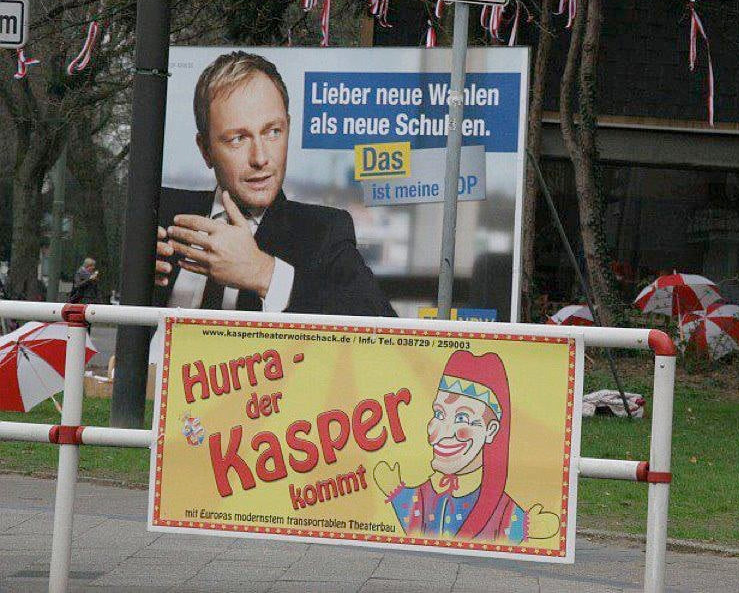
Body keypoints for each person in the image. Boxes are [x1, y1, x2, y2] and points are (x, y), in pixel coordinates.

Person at [154, 51, 394, 317]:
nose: (260, 158)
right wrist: (131, 277)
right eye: (238, 139)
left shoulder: (324, 233)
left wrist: (265, 274)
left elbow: (386, 330)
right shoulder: (160, 213)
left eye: (273, 132)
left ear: (288, 129)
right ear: (205, 150)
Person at [374, 350, 560, 543]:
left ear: (490, 430)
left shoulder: (499, 508)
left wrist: (527, 525)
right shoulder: (428, 492)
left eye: (462, 418)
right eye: (439, 414)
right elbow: (414, 511)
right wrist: (396, 491)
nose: (444, 431)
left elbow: (506, 520)